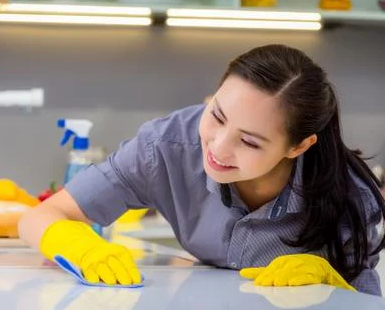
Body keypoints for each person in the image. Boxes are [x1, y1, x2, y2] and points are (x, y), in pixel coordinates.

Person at [19, 44, 385, 295]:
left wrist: (331, 283)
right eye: (217, 116)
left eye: (250, 142)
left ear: (298, 146)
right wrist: (79, 246)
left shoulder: (349, 194)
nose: (218, 148)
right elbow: (41, 217)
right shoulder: (164, 147)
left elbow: (366, 299)